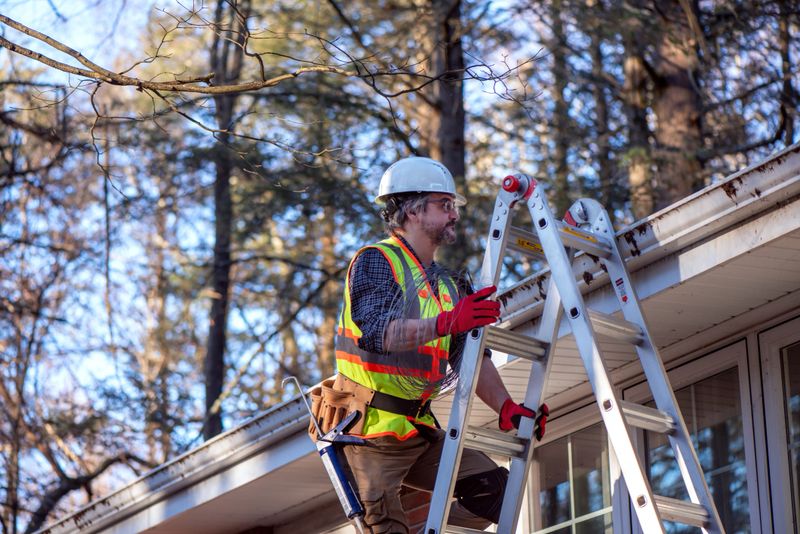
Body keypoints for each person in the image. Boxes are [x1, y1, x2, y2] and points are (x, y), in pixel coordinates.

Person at [326, 156, 547, 533]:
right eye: (444, 205)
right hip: (368, 432)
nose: (454, 215)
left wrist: (505, 405)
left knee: (498, 493)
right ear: (412, 211)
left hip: (418, 426)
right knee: (384, 523)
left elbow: (469, 358)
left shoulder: (450, 284)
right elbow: (379, 333)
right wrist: (449, 321)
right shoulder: (376, 261)